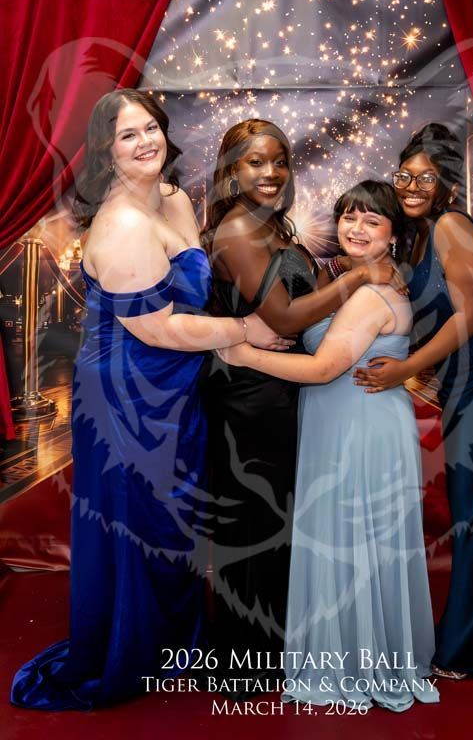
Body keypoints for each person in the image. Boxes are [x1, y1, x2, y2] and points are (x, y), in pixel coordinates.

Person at [10, 89, 287, 710]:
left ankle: (172, 637)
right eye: (127, 135)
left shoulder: (171, 197)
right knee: (139, 518)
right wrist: (246, 331)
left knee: (173, 515)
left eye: (151, 128)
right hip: (127, 393)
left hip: (175, 383)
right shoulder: (125, 225)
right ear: (107, 152)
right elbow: (158, 327)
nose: (146, 142)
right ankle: (131, 648)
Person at [200, 122, 404, 696]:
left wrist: (356, 282)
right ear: (231, 171)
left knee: (281, 525)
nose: (271, 173)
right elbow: (288, 319)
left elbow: (306, 304)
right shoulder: (239, 230)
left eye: (280, 161)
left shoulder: (273, 226)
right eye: (255, 163)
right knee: (256, 525)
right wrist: (361, 274)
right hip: (250, 399)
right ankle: (246, 665)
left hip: (282, 394)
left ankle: (279, 647)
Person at [218, 181, 439, 712]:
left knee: (354, 544)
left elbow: (322, 368)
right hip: (347, 421)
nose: (356, 229)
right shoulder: (349, 280)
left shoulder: (371, 294)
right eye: (349, 217)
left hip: (357, 429)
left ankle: (358, 662)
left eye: (372, 222)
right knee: (354, 544)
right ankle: (357, 650)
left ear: (393, 236)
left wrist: (243, 354)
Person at [352, 124, 473, 678]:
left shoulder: (451, 226)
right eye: (405, 175)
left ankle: (468, 649)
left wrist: (408, 369)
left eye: (425, 177)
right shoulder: (423, 233)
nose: (412, 186)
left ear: (447, 183)